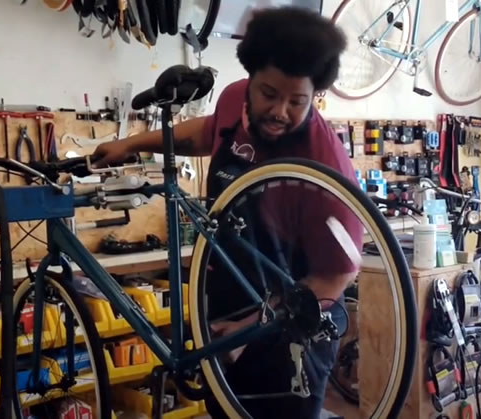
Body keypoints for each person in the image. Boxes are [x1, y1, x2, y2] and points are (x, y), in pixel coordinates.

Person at [94, 6, 362, 418]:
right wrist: (132, 144)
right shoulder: (234, 97)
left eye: (298, 101)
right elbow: (206, 131)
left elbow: (337, 274)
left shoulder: (323, 164)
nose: (280, 111)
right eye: (269, 94)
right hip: (224, 300)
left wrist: (251, 328)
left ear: (315, 96)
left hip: (294, 326)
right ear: (250, 80)